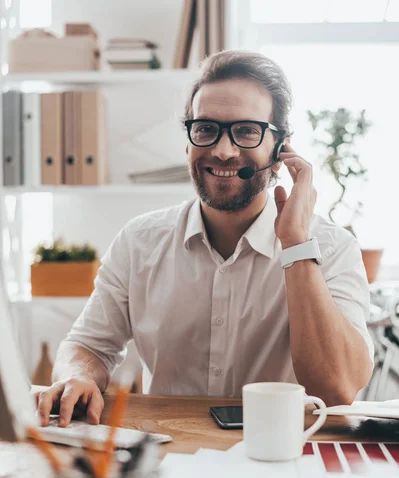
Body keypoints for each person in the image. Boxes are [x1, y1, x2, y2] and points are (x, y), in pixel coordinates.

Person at [36, 50, 374, 427]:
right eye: (206, 129)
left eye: (246, 131)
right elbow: (88, 345)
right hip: (170, 451)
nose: (223, 150)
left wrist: (296, 246)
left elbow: (337, 390)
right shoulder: (139, 243)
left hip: (287, 454)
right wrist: (77, 374)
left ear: (281, 152)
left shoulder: (330, 248)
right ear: (188, 142)